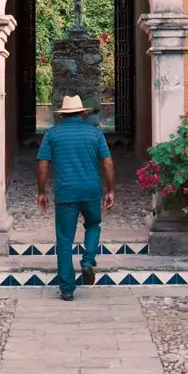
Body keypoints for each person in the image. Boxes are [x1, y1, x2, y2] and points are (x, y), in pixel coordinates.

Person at [36, 94, 114, 301]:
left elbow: (43, 164)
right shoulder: (94, 133)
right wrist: (110, 190)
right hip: (90, 191)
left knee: (64, 239)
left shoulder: (52, 134)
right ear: (82, 113)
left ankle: (67, 289)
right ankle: (88, 260)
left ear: (63, 115)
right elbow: (107, 162)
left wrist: (41, 191)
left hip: (65, 193)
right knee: (94, 224)